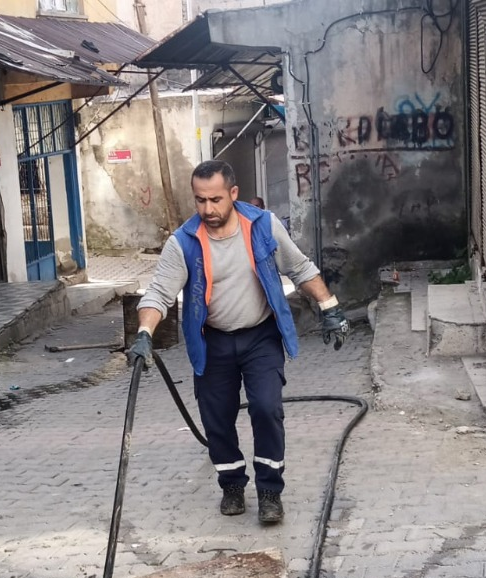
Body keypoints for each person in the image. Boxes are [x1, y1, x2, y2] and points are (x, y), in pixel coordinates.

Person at [128, 161, 349, 525]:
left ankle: (269, 492)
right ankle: (232, 485)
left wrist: (330, 307)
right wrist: (144, 334)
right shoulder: (183, 242)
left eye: (215, 199)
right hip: (212, 342)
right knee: (217, 419)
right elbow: (159, 294)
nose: (208, 209)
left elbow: (300, 267)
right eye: (200, 200)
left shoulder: (262, 226)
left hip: (260, 336)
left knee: (266, 408)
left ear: (233, 193)